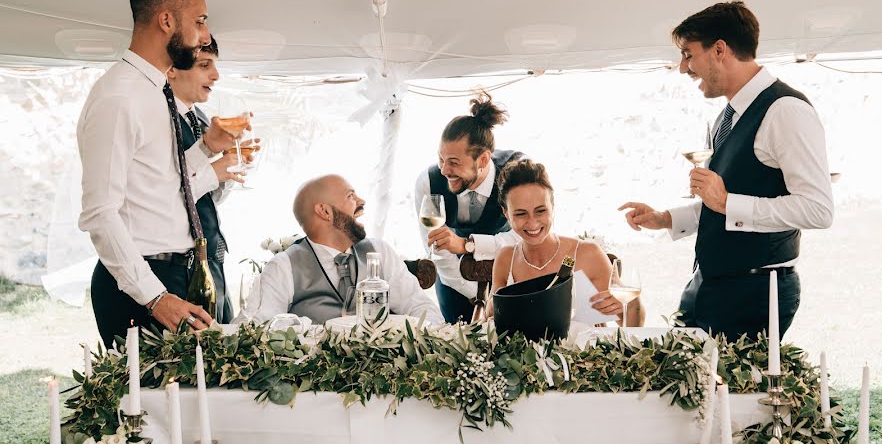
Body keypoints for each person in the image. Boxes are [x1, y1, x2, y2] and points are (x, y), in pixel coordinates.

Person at [619, 0, 833, 341]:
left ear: (719, 50)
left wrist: (726, 202)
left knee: (728, 395)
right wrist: (666, 219)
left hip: (754, 294)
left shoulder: (786, 112)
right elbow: (728, 199)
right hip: (709, 285)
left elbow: (818, 209)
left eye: (688, 54)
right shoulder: (725, 118)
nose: (682, 68)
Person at [78, 0, 246, 348]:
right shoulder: (119, 97)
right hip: (142, 285)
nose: (204, 35)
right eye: (200, 21)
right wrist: (154, 296)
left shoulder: (155, 92)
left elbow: (163, 185)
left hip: (177, 274)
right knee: (153, 407)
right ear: (166, 21)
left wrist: (205, 148)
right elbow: (100, 213)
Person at [238, 175, 442, 325]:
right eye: (351, 196)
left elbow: (420, 308)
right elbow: (256, 327)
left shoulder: (380, 251)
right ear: (325, 211)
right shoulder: (283, 266)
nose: (362, 202)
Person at [166, 35, 258, 323]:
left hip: (209, 260)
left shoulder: (201, 118)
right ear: (172, 69)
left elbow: (208, 197)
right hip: (175, 266)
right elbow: (161, 194)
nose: (215, 76)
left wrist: (229, 167)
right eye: (204, 65)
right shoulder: (161, 120)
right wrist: (214, 171)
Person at [414, 92, 525, 323]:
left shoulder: (517, 173)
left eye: (454, 162)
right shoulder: (429, 182)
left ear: (483, 159)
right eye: (441, 160)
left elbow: (525, 237)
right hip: (452, 282)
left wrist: (468, 245)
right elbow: (438, 250)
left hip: (511, 281)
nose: (444, 171)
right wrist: (478, 298)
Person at [485, 159, 637, 325]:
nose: (533, 223)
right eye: (521, 214)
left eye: (540, 211)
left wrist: (629, 304)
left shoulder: (588, 254)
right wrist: (492, 308)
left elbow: (633, 324)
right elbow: (491, 318)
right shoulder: (506, 259)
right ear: (506, 213)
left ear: (552, 206)